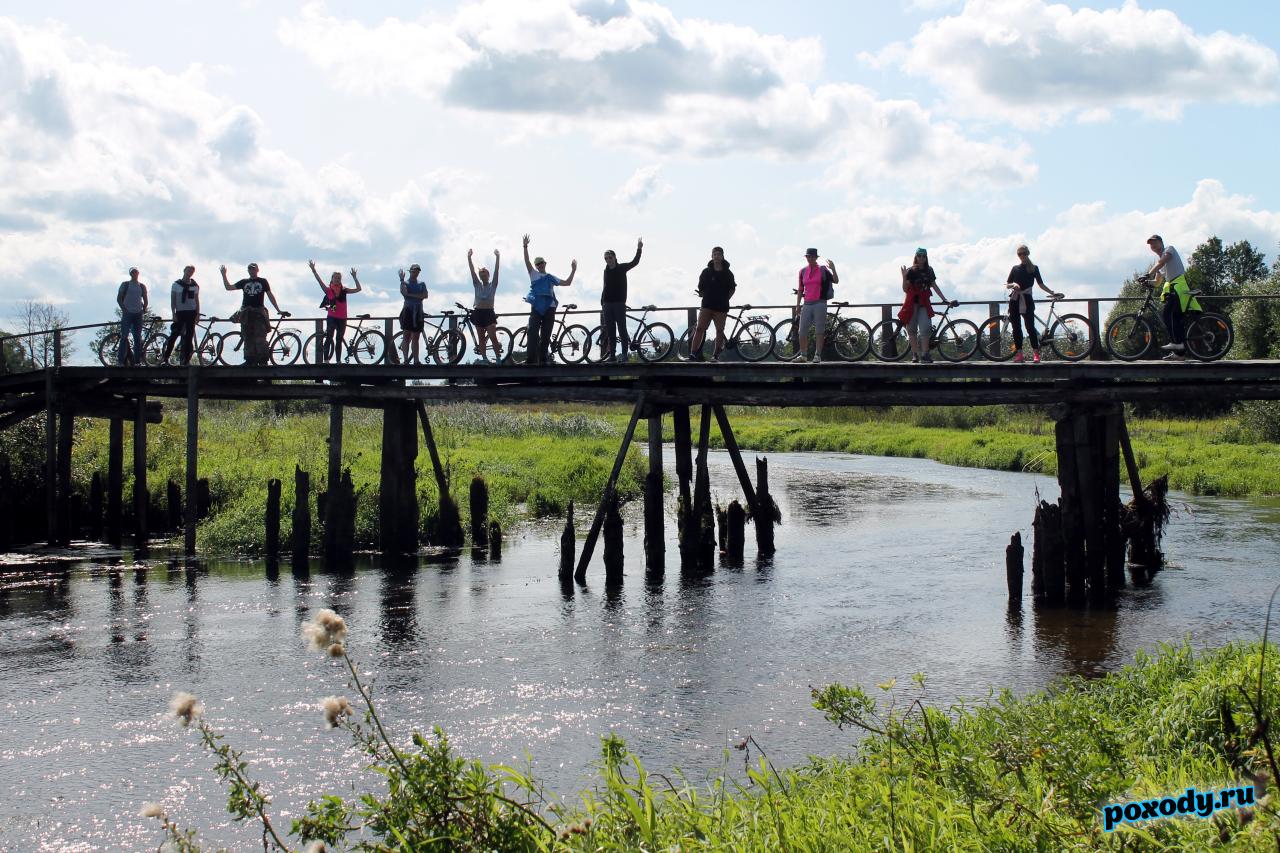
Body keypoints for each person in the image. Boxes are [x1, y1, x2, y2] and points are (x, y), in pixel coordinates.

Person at [522, 234, 576, 366]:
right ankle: (531, 359)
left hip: (550, 307)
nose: (540, 265)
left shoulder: (550, 277)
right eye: (538, 264)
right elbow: (526, 261)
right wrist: (525, 246)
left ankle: (543, 359)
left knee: (546, 335)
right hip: (536, 306)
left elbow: (567, 283)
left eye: (542, 263)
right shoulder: (533, 274)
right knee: (532, 331)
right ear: (536, 265)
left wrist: (573, 270)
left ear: (545, 264)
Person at [1145, 234, 1200, 361]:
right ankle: (1179, 354)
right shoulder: (1160, 263)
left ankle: (1178, 344)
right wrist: (1146, 281)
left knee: (1168, 315)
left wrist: (1148, 273)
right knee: (1173, 318)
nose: (1153, 246)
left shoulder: (1169, 249)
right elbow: (1157, 282)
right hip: (1172, 289)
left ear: (1161, 242)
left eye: (1154, 243)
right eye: (1150, 245)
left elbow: (1162, 261)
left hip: (1179, 287)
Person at [1005, 245, 1061, 364]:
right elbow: (1007, 284)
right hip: (1015, 300)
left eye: (1024, 253)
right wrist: (1013, 284)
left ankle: (1036, 354)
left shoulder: (1034, 268)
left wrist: (1052, 292)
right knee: (1016, 328)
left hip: (1027, 299)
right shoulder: (1015, 268)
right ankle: (1020, 354)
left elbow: (1041, 284)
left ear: (1028, 253)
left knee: (1030, 327)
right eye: (1019, 254)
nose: (1022, 256)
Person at [220, 262, 283, 366]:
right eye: (250, 269)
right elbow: (228, 287)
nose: (252, 271)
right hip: (246, 312)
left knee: (260, 336)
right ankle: (250, 360)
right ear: (248, 270)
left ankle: (263, 360)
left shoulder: (263, 281)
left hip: (258, 311)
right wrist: (224, 275)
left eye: (254, 269)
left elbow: (270, 295)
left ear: (257, 270)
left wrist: (278, 309)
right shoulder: (244, 282)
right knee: (247, 336)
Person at [897, 248, 952, 363]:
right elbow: (905, 289)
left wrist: (944, 299)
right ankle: (915, 354)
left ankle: (925, 354)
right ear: (916, 257)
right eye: (919, 255)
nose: (921, 258)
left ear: (926, 257)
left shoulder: (929, 270)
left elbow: (934, 285)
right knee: (911, 330)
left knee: (925, 328)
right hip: (911, 303)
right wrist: (904, 277)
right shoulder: (911, 271)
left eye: (923, 256)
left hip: (924, 303)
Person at [688, 247, 736, 362]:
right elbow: (701, 287)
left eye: (719, 254)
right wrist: (703, 294)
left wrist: (725, 299)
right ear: (711, 256)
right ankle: (693, 354)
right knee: (699, 329)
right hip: (706, 306)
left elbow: (732, 289)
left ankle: (715, 356)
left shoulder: (728, 273)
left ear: (722, 256)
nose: (716, 256)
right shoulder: (706, 272)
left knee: (719, 331)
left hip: (721, 308)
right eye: (714, 254)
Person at [599, 238, 643, 362]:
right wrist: (602, 301)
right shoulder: (605, 271)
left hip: (619, 303)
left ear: (614, 257)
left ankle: (624, 355)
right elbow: (605, 286)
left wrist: (639, 249)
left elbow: (635, 262)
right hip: (607, 304)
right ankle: (612, 355)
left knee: (622, 329)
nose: (608, 260)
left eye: (610, 257)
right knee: (611, 331)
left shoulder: (622, 268)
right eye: (606, 258)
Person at [309, 260, 361, 362]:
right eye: (335, 278)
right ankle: (326, 360)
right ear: (332, 279)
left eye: (339, 278)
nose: (337, 279)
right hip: (332, 317)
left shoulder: (344, 290)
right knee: (329, 338)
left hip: (342, 318)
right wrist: (314, 270)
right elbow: (319, 281)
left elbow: (359, 289)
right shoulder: (328, 290)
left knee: (339, 340)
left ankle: (338, 361)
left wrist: (355, 278)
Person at [794, 248, 838, 363]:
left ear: (816, 258)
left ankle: (817, 355)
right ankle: (803, 355)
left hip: (820, 302)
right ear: (806, 257)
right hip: (807, 303)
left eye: (812, 256)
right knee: (802, 330)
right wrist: (798, 305)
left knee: (819, 330)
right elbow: (800, 289)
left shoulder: (823, 269)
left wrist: (833, 269)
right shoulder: (802, 271)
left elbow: (836, 281)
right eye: (808, 256)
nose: (810, 258)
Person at [467, 248, 502, 362]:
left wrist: (497, 257)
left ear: (488, 275)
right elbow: (472, 271)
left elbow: (497, 271)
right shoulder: (477, 284)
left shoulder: (493, 285)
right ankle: (485, 358)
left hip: (489, 313)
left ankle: (498, 358)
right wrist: (469, 258)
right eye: (481, 274)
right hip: (478, 313)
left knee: (493, 336)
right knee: (481, 338)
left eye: (484, 274)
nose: (482, 275)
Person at [161, 265, 199, 365]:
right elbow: (173, 300)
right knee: (174, 334)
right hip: (180, 312)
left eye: (191, 272)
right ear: (184, 271)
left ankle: (186, 360)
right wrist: (173, 313)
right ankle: (166, 357)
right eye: (188, 271)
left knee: (189, 336)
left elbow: (196, 300)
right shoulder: (176, 285)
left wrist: (197, 313)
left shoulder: (195, 285)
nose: (189, 273)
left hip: (191, 312)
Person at [116, 267, 149, 366]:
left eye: (136, 272)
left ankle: (137, 361)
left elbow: (145, 299)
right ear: (131, 274)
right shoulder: (125, 284)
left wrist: (144, 308)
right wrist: (124, 309)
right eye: (133, 272)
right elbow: (119, 298)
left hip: (138, 314)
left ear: (138, 273)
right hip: (128, 313)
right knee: (124, 336)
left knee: (137, 338)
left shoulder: (142, 286)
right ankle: (120, 361)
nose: (135, 274)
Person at [397, 263, 428, 364]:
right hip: (408, 311)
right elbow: (404, 293)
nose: (416, 273)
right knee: (406, 335)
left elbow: (425, 295)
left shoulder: (422, 283)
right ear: (410, 271)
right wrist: (402, 280)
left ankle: (416, 360)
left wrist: (411, 295)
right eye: (414, 271)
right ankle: (406, 359)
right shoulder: (405, 283)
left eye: (417, 271)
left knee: (416, 337)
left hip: (418, 311)